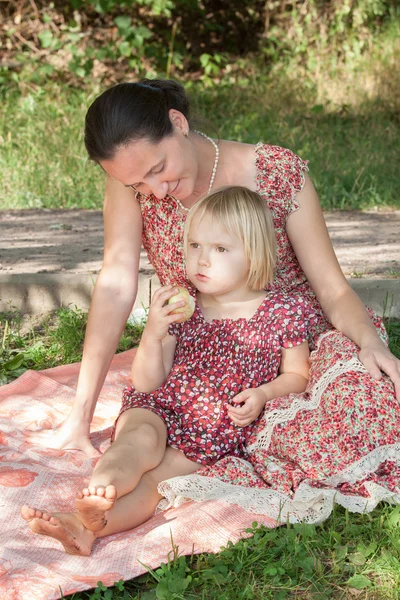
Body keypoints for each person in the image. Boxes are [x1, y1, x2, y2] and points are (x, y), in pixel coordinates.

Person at [27, 79, 400, 521]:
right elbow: (115, 285)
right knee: (151, 429)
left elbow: (332, 289)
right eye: (138, 183)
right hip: (204, 347)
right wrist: (81, 413)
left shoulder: (276, 172)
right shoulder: (130, 186)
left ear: (178, 123)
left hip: (293, 344)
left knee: (363, 398)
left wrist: (369, 343)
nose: (156, 190)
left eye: (159, 167)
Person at [21, 187, 314, 554]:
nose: (202, 260)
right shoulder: (182, 304)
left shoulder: (282, 311)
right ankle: (98, 490)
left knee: (154, 484)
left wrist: (263, 394)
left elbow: (298, 376)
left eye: (220, 249)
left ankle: (87, 528)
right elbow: (147, 382)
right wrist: (153, 332)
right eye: (195, 246)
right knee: (137, 443)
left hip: (214, 429)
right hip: (159, 405)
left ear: (254, 254)